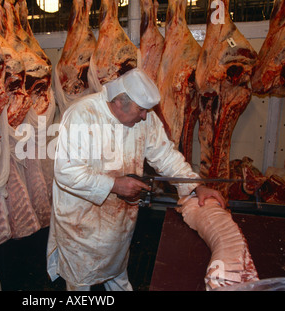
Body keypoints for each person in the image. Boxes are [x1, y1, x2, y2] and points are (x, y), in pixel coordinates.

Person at [46, 68, 226, 291]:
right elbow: (66, 172)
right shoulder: (82, 114)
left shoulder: (145, 118)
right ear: (119, 103)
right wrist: (114, 184)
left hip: (118, 221)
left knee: (117, 270)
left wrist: (194, 184)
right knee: (80, 282)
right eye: (141, 110)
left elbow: (164, 154)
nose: (144, 116)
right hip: (81, 222)